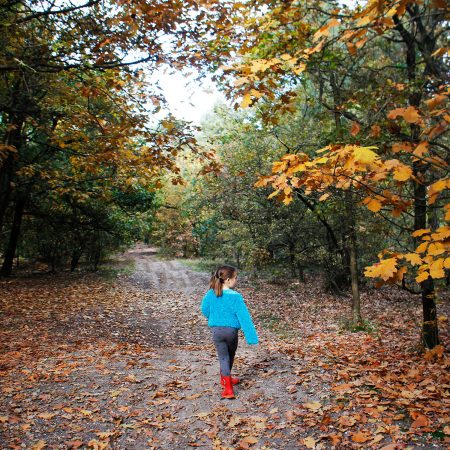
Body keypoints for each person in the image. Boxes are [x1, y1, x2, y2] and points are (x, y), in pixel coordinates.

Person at [200, 265, 258, 399]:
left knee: (223, 358)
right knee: (230, 356)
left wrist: (213, 317)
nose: (236, 280)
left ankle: (226, 383)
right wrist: (251, 337)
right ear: (227, 280)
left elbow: (204, 309)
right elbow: (244, 317)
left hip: (216, 332)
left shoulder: (211, 294)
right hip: (231, 332)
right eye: (235, 278)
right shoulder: (235, 297)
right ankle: (228, 388)